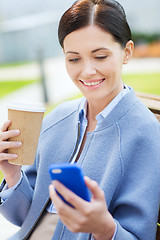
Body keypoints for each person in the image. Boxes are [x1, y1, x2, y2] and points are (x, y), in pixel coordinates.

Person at [0, 0, 160, 239]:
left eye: (100, 56)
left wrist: (104, 228)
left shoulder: (146, 134)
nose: (87, 71)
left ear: (127, 52)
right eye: (74, 59)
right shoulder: (57, 119)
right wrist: (13, 175)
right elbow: (26, 218)